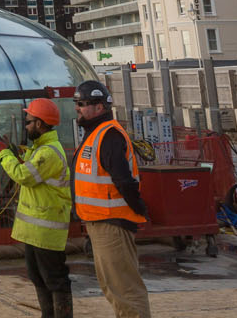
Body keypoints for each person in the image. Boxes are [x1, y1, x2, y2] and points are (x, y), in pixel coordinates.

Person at [73, 79, 151, 318]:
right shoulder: (96, 134)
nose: (78, 108)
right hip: (101, 221)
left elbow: (124, 181)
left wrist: (139, 208)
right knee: (113, 288)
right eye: (77, 103)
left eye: (82, 103)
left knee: (125, 290)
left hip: (113, 222)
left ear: (99, 106)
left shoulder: (108, 136)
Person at [0, 98, 73, 318]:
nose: (26, 125)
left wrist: (3, 154)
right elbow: (27, 166)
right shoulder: (40, 150)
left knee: (55, 279)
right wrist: (13, 152)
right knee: (38, 276)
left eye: (29, 121)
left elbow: (23, 175)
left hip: (47, 232)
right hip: (36, 231)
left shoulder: (48, 153)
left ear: (40, 124)